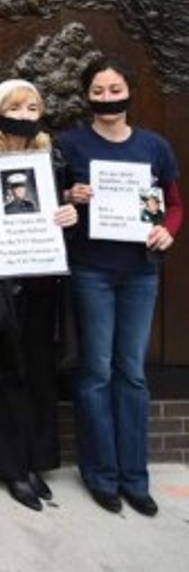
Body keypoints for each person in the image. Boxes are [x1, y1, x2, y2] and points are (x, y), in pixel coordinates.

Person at [57, 56, 181, 516]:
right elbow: (51, 202)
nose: (107, 98)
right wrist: (70, 195)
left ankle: (135, 478)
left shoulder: (154, 146)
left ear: (129, 91)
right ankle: (101, 475)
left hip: (140, 273)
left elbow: (173, 204)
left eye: (115, 89)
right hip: (91, 270)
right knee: (96, 372)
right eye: (98, 91)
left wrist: (168, 230)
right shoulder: (70, 145)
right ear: (86, 96)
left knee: (132, 372)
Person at [0, 79, 78, 511]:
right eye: (15, 108)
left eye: (32, 108)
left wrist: (70, 213)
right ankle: (12, 467)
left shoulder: (54, 160)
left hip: (42, 279)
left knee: (39, 371)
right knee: (4, 371)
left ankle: (36, 459)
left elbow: (65, 210)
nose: (25, 116)